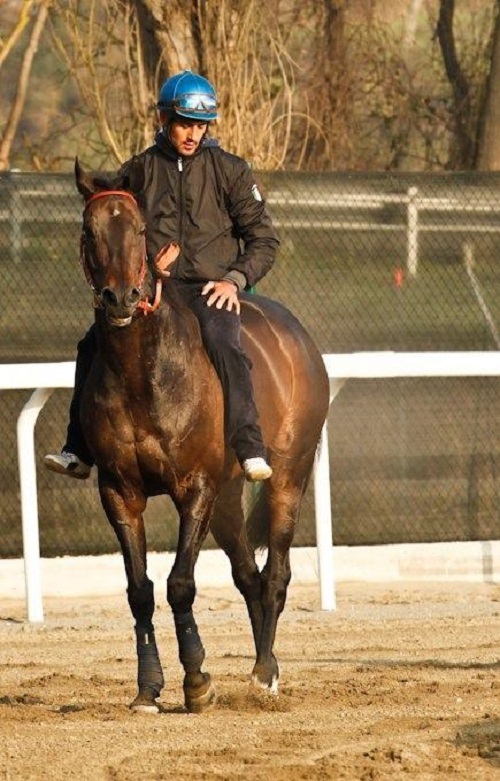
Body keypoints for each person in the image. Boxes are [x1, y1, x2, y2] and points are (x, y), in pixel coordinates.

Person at [44, 70, 279, 483]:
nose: (192, 134)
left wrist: (234, 280)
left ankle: (249, 447)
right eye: (185, 123)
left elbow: (264, 240)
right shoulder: (137, 171)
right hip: (155, 289)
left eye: (200, 125)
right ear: (165, 120)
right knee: (90, 344)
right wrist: (152, 270)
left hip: (211, 291)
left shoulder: (232, 171)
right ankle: (77, 449)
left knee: (225, 343)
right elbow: (118, 234)